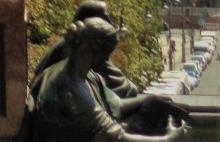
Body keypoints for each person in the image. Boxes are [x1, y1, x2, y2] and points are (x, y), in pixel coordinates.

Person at [28, 17, 188, 141]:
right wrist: (171, 138)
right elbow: (116, 138)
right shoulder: (70, 88)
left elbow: (114, 106)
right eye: (108, 53)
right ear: (96, 51)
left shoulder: (86, 75)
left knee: (154, 111)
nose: (108, 59)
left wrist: (148, 100)